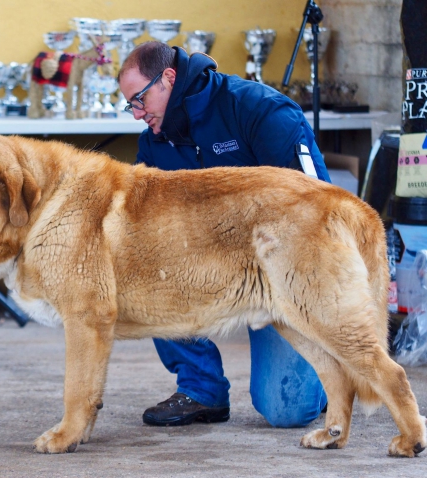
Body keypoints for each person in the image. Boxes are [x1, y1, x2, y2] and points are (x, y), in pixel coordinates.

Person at [117, 42, 329, 428]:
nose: (137, 114)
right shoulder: (154, 142)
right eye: (130, 105)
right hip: (214, 268)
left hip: (280, 273)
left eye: (139, 99)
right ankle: (201, 389)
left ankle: (333, 370)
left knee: (287, 411)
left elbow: (316, 210)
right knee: (137, 262)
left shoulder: (259, 109)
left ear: (168, 78)